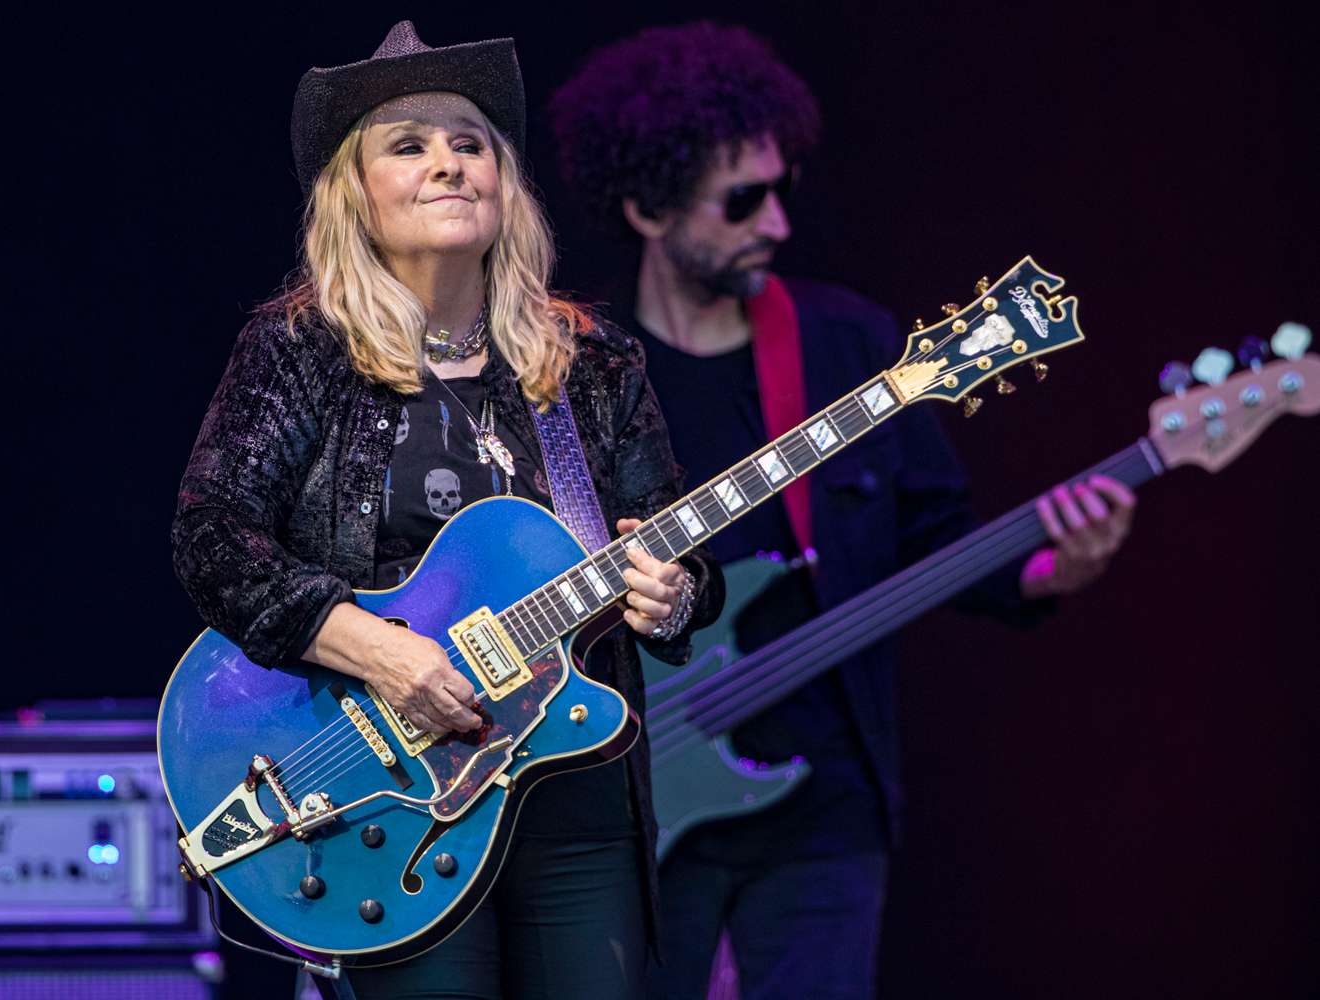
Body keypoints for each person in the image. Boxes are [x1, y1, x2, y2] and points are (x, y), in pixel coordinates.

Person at [550, 22, 1136, 999]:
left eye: (783, 190)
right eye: (743, 199)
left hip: (824, 802)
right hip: (629, 793)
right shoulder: (579, 370)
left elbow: (936, 538)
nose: (777, 221)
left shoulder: (843, 343)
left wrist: (1052, 567)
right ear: (649, 207)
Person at [171, 21, 723, 1000]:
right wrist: (382, 650)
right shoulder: (301, 351)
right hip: (392, 801)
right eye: (410, 145)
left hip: (572, 787)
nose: (449, 165)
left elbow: (669, 542)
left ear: (507, 185)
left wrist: (671, 595)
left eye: (471, 143)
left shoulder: (587, 364)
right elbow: (213, 538)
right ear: (358, 194)